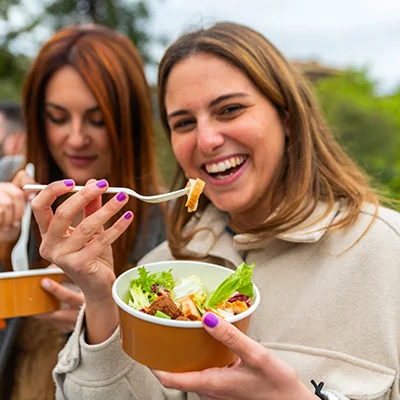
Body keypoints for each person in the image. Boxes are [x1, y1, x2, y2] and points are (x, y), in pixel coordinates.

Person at [32, 22, 400, 400]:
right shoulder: (165, 266)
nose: (207, 140)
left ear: (287, 117)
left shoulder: (387, 254)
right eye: (184, 123)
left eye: (230, 109)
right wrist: (99, 299)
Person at [0, 25, 166, 400]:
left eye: (97, 120)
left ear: (130, 122)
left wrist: (103, 314)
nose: (76, 139)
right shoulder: (13, 182)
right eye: (58, 117)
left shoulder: (163, 225)